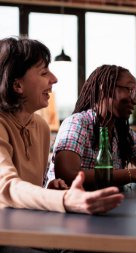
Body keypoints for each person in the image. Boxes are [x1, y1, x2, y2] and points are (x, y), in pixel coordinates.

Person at [0, 37, 124, 214]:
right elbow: (5, 187)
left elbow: (30, 190)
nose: (54, 79)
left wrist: (49, 189)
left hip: (29, 229)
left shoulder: (41, 127)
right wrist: (64, 199)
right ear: (17, 85)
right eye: (44, 73)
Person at [47, 65, 136, 190]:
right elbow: (67, 174)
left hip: (109, 203)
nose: (135, 100)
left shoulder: (122, 130)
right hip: (73, 205)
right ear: (106, 88)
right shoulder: (77, 123)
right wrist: (131, 174)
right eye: (131, 90)